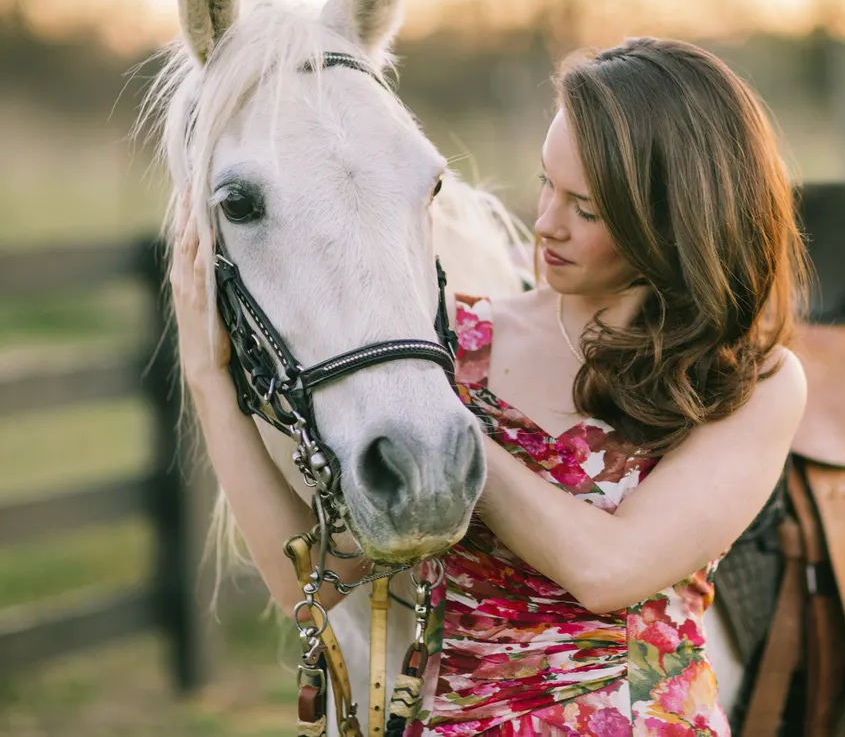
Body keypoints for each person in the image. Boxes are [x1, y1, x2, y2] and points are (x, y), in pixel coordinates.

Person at [172, 36, 809, 736]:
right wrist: (208, 377)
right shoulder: (453, 341)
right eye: (546, 185)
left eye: (587, 210)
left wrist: (448, 427)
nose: (545, 224)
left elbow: (609, 570)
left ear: (672, 217)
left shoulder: (750, 384)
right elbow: (321, 583)